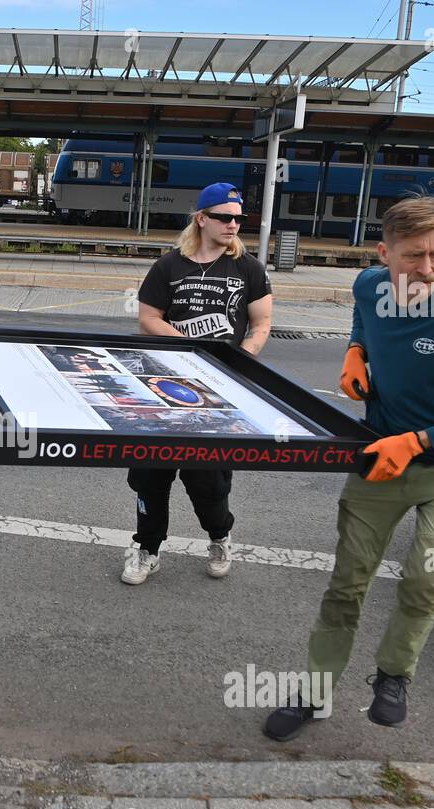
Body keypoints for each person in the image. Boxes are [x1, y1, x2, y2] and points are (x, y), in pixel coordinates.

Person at [264, 195, 434, 741]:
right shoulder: (368, 287)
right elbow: (363, 317)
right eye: (414, 257)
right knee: (346, 582)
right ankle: (313, 692)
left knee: (426, 576)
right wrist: (354, 351)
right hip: (381, 456)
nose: (427, 269)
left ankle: (393, 675)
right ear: (385, 253)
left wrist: (420, 441)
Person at [122, 182, 273, 585]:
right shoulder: (169, 266)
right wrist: (190, 345)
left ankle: (220, 535)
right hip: (160, 387)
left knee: (208, 480)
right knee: (151, 475)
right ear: (201, 219)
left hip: (217, 393)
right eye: (225, 217)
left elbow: (261, 323)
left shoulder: (248, 268)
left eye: (239, 218)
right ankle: (147, 548)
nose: (233, 225)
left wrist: (242, 355)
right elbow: (148, 319)